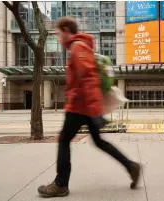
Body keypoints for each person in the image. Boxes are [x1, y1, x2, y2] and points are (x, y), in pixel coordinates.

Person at [38, 17, 141, 198]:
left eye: (58, 33)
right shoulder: (79, 47)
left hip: (80, 106)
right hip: (86, 106)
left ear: (67, 30)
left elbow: (88, 79)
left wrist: (92, 110)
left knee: (64, 140)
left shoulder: (78, 47)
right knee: (99, 142)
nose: (58, 37)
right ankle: (131, 166)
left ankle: (61, 184)